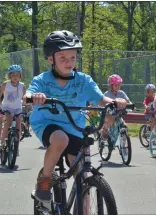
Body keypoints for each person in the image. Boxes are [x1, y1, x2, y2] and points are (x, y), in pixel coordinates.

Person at [23, 30, 127, 203]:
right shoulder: (42, 80)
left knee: (82, 174)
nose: (69, 62)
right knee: (60, 139)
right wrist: (35, 97)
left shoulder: (83, 80)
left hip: (74, 126)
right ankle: (45, 180)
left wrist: (116, 101)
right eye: (62, 58)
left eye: (72, 57)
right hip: (48, 123)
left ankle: (84, 205)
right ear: (51, 59)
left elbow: (101, 99)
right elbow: (27, 95)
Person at [0, 65, 26, 155]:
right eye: (13, 74)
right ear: (9, 76)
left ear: (20, 75)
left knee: (18, 126)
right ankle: (1, 140)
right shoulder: (6, 84)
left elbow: (25, 98)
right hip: (6, 108)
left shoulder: (22, 86)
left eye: (17, 74)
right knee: (6, 121)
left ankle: (16, 146)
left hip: (17, 108)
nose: (15, 76)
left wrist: (28, 106)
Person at [101, 74, 133, 139]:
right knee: (111, 120)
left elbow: (128, 101)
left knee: (124, 126)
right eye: (116, 85)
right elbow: (102, 103)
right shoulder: (107, 94)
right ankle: (104, 130)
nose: (118, 87)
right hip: (108, 114)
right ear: (111, 85)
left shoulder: (121, 93)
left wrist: (132, 106)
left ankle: (124, 146)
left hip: (118, 114)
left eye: (119, 85)